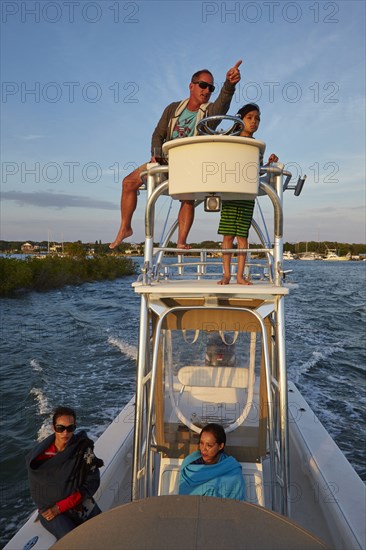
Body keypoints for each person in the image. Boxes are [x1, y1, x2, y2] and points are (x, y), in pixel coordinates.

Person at [109, 61, 242, 250]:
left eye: (211, 87)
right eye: (203, 85)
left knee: (187, 197)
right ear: (191, 86)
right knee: (128, 183)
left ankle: (181, 241)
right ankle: (125, 228)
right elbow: (158, 134)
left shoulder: (209, 112)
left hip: (191, 166)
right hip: (166, 161)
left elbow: (223, 104)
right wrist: (156, 155)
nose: (207, 90)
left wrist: (229, 84)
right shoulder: (173, 108)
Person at [217, 103, 278, 285]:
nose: (254, 122)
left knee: (242, 237)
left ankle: (240, 276)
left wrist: (269, 162)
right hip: (229, 193)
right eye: (250, 118)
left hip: (246, 195)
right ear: (240, 119)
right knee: (227, 236)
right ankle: (226, 274)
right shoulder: (230, 141)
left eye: (257, 119)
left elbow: (257, 172)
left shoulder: (256, 147)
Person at [26, 406, 104, 540]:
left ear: (75, 427)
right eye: (60, 428)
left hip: (77, 501)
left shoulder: (84, 450)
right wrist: (55, 509)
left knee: (105, 528)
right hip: (49, 509)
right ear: (53, 427)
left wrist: (61, 506)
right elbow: (37, 489)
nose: (65, 433)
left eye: (70, 428)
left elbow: (93, 480)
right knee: (72, 540)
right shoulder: (39, 457)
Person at [179, 423, 245, 500]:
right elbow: (182, 501)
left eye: (209, 445)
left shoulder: (232, 470)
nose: (203, 449)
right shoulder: (189, 466)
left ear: (220, 446)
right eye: (201, 443)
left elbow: (237, 507)